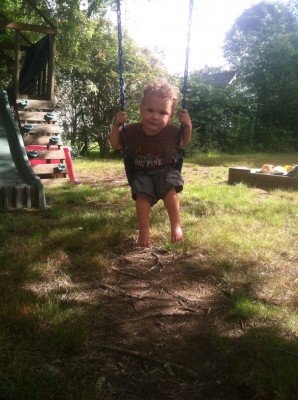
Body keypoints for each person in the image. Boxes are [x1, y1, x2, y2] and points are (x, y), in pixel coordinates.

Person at [110, 78, 192, 248]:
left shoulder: (171, 131)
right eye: (150, 110)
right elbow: (115, 144)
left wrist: (188, 126)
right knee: (141, 197)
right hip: (141, 174)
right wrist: (116, 126)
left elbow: (184, 143)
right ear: (141, 109)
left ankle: (175, 226)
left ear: (170, 116)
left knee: (170, 190)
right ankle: (144, 230)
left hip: (165, 171)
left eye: (163, 113)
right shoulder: (131, 131)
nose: (155, 116)